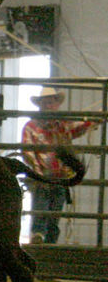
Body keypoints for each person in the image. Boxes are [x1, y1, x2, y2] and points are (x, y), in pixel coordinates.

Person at [22, 87, 97, 244]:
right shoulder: (32, 126)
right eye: (46, 102)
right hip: (43, 176)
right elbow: (28, 151)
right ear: (40, 104)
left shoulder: (62, 125)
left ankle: (48, 240)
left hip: (60, 175)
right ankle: (39, 237)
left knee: (54, 214)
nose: (49, 104)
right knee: (41, 209)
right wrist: (37, 173)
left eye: (52, 101)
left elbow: (79, 127)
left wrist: (95, 119)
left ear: (56, 104)